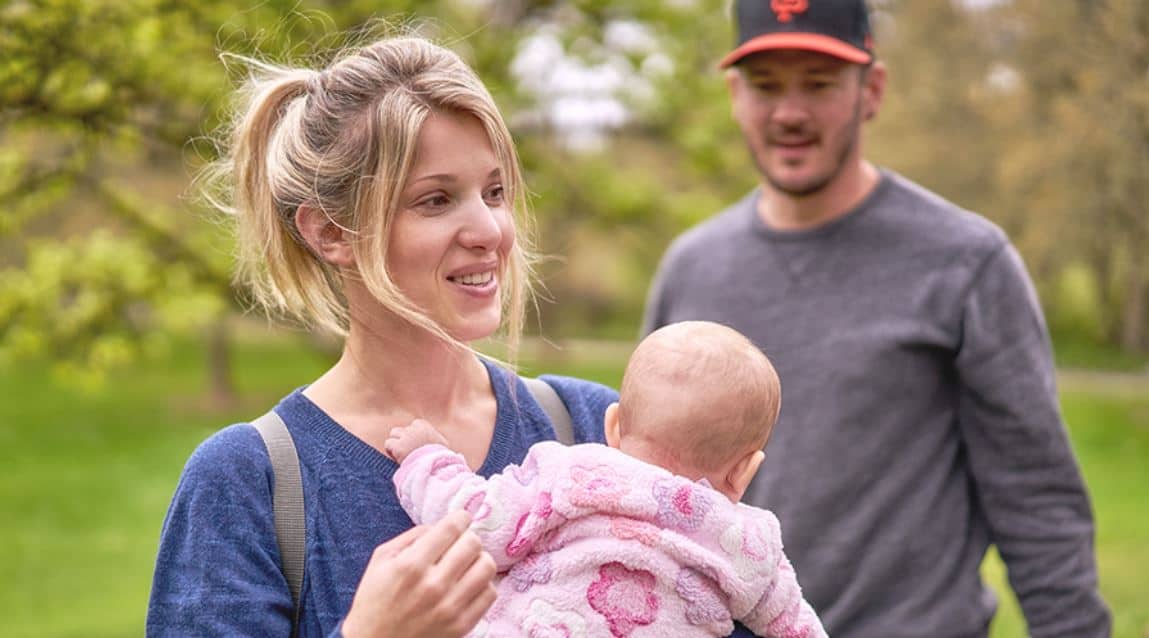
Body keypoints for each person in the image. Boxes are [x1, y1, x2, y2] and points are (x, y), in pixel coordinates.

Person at [641, 1, 1112, 637]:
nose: (789, 112)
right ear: (734, 94)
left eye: (819, 82)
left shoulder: (965, 262)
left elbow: (1037, 502)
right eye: (766, 84)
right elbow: (642, 488)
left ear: (873, 90)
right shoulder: (691, 269)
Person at [145, 35, 624, 637]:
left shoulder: (593, 431)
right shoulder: (247, 485)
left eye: (494, 192)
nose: (489, 230)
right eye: (436, 200)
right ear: (331, 233)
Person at [385, 320, 827, 638]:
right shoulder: (750, 542)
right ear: (745, 470)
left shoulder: (571, 475)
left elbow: (475, 527)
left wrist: (428, 459)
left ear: (611, 425)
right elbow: (796, 626)